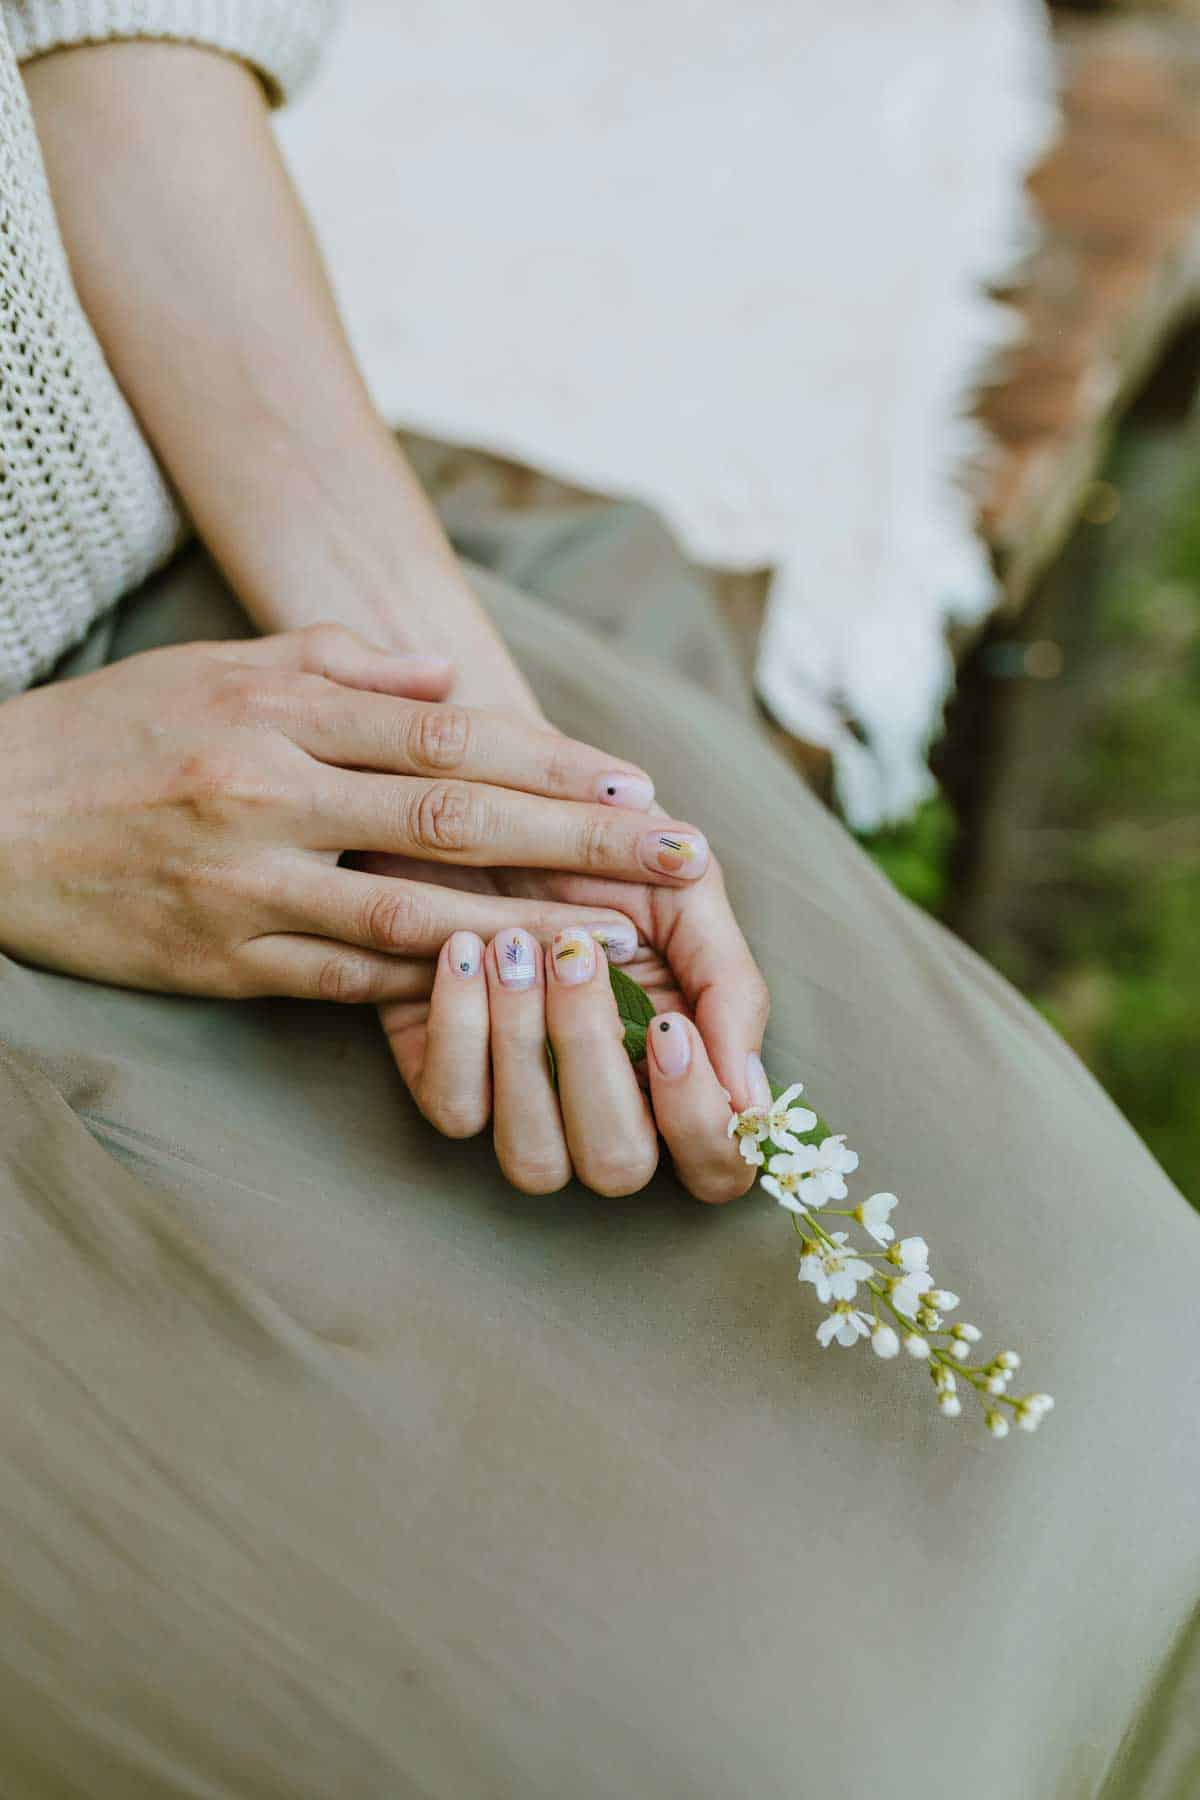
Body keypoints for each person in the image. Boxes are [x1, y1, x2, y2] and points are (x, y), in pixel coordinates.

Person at [0, 9, 1196, 1796]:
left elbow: (111, 48)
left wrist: (477, 767)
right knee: (723, 1752)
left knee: (1131, 1351)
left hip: (222, 628)